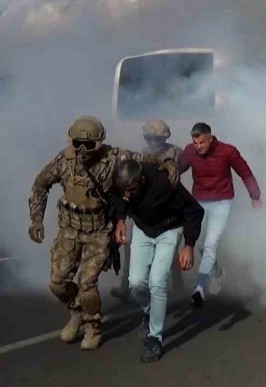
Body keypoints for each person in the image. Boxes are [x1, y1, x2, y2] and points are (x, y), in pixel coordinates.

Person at [28, 115, 179, 350]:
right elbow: (40, 185)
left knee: (87, 284)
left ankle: (93, 325)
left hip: (98, 232)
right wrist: (36, 219)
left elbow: (144, 159)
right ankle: (76, 312)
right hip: (69, 231)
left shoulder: (114, 157)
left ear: (99, 143)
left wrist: (166, 163)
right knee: (57, 282)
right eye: (77, 143)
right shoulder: (64, 160)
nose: (82, 150)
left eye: (88, 145)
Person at [113, 159, 204, 362]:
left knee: (157, 282)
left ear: (143, 180)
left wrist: (188, 245)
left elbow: (194, 211)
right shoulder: (121, 181)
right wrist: (120, 219)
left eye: (131, 189)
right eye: (124, 190)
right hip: (143, 229)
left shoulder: (165, 184)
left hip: (169, 230)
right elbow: (119, 197)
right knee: (135, 282)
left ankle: (155, 338)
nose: (127, 194)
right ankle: (148, 311)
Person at [178, 122, 262, 307]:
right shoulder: (190, 152)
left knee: (210, 244)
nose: (198, 146)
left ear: (210, 138)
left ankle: (199, 288)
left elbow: (245, 173)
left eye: (201, 142)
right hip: (198, 203)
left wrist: (255, 196)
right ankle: (216, 273)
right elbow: (176, 170)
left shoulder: (228, 151)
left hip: (222, 203)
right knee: (198, 244)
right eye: (195, 142)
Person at [111, 119, 184, 302]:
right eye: (149, 138)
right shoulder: (141, 155)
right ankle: (125, 285)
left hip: (167, 206)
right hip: (142, 205)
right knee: (129, 247)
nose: (152, 143)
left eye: (156, 139)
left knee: (170, 248)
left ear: (165, 137)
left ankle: (177, 282)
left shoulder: (177, 152)